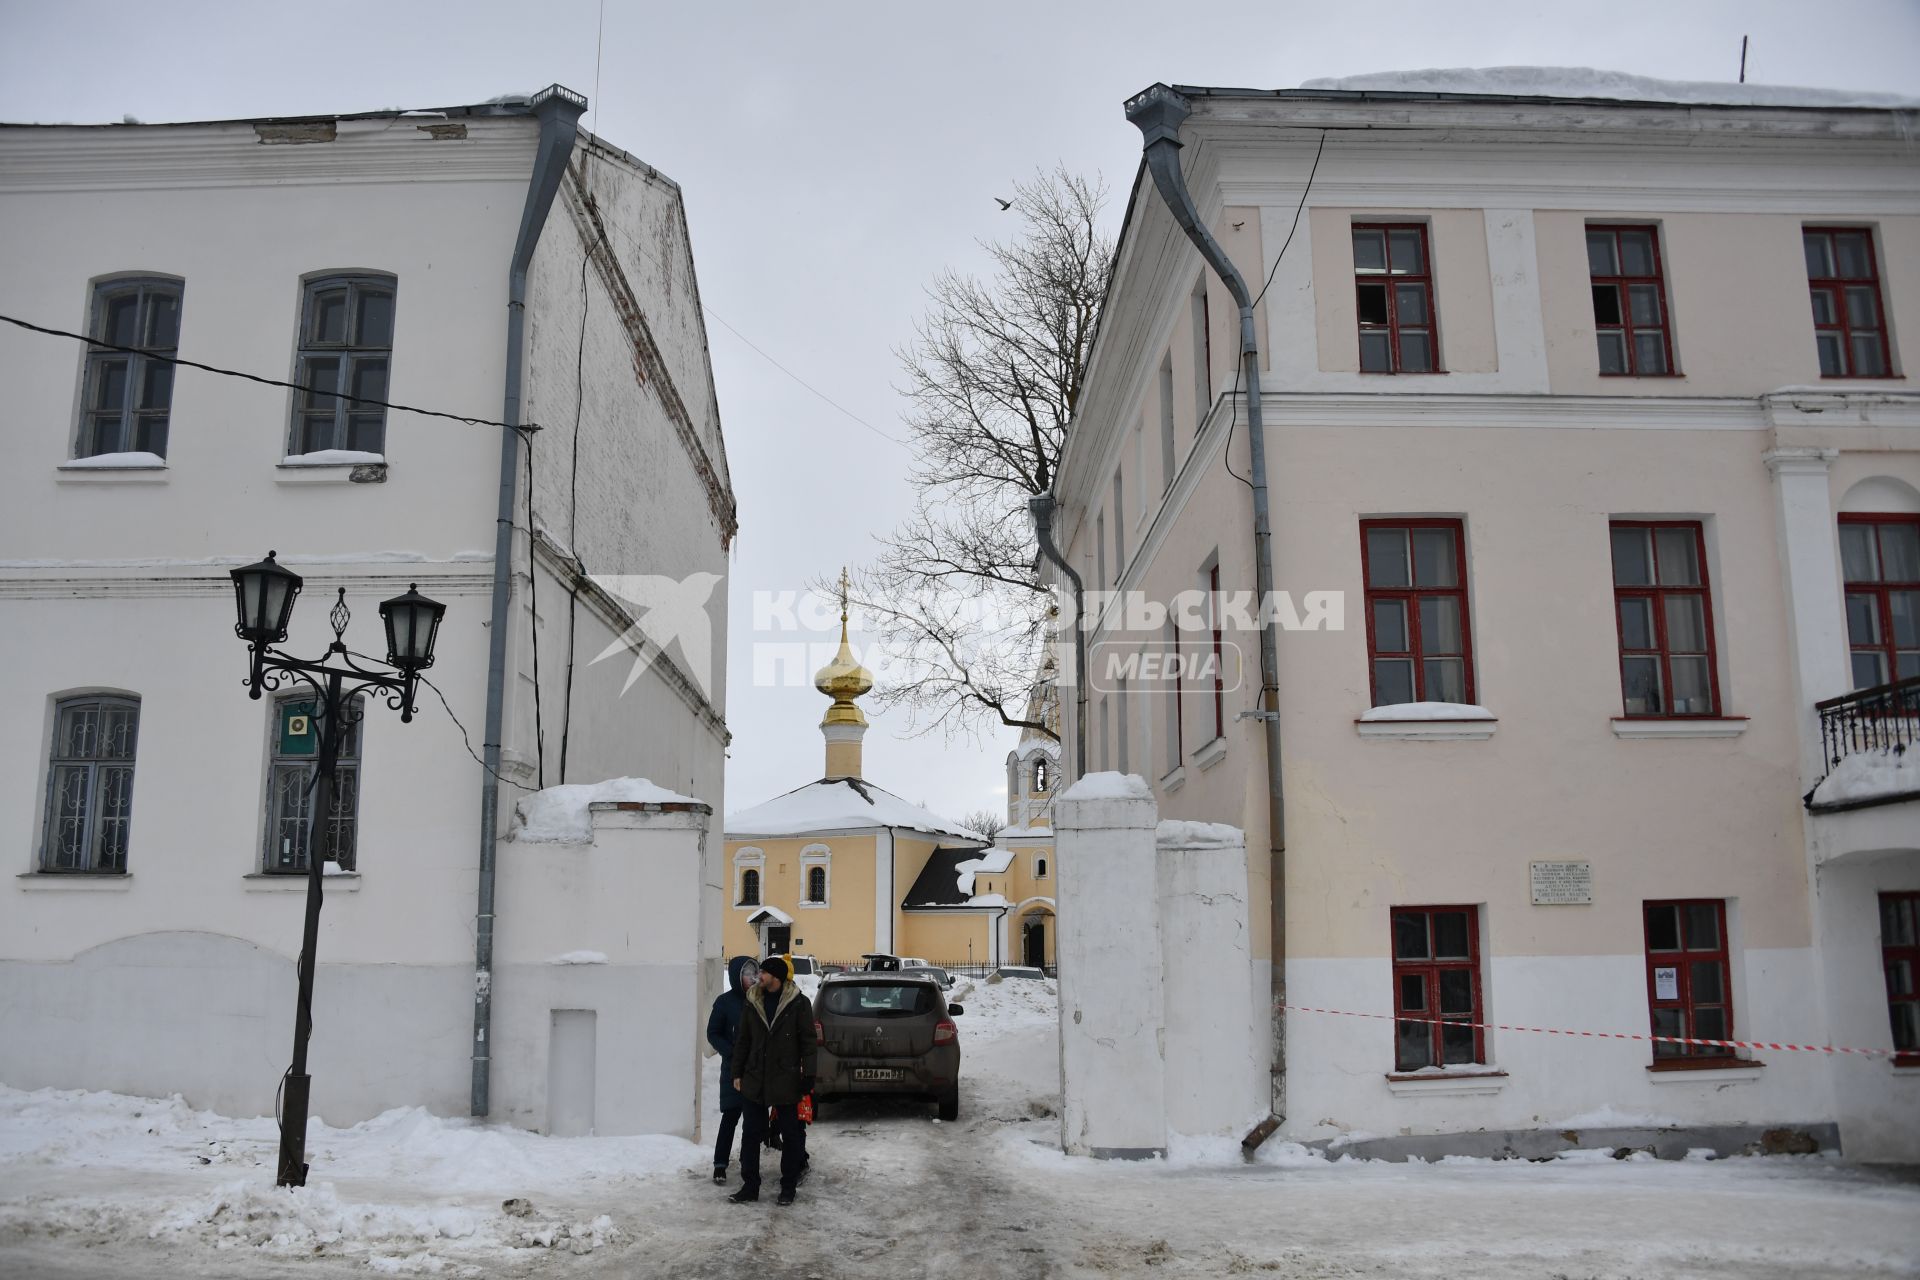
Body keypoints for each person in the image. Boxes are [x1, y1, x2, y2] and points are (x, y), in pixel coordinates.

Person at [728, 955, 815, 1206]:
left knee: (790, 1136)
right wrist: (737, 1073)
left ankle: (788, 1187)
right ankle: (750, 1186)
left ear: (775, 977)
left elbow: (809, 1043)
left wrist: (808, 1075)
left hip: (785, 1079)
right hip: (754, 1078)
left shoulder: (798, 1004)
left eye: (763, 973)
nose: (759, 977)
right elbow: (742, 1040)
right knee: (751, 1134)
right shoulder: (752, 1001)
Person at [704, 955, 757, 1184]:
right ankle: (720, 1164)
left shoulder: (759, 1000)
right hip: (733, 1070)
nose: (752, 978)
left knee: (753, 1121)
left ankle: (749, 1165)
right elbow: (713, 1032)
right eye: (747, 974)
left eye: (754, 973)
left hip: (755, 1068)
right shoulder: (725, 1002)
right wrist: (730, 1052)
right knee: (730, 1117)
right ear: (737, 977)